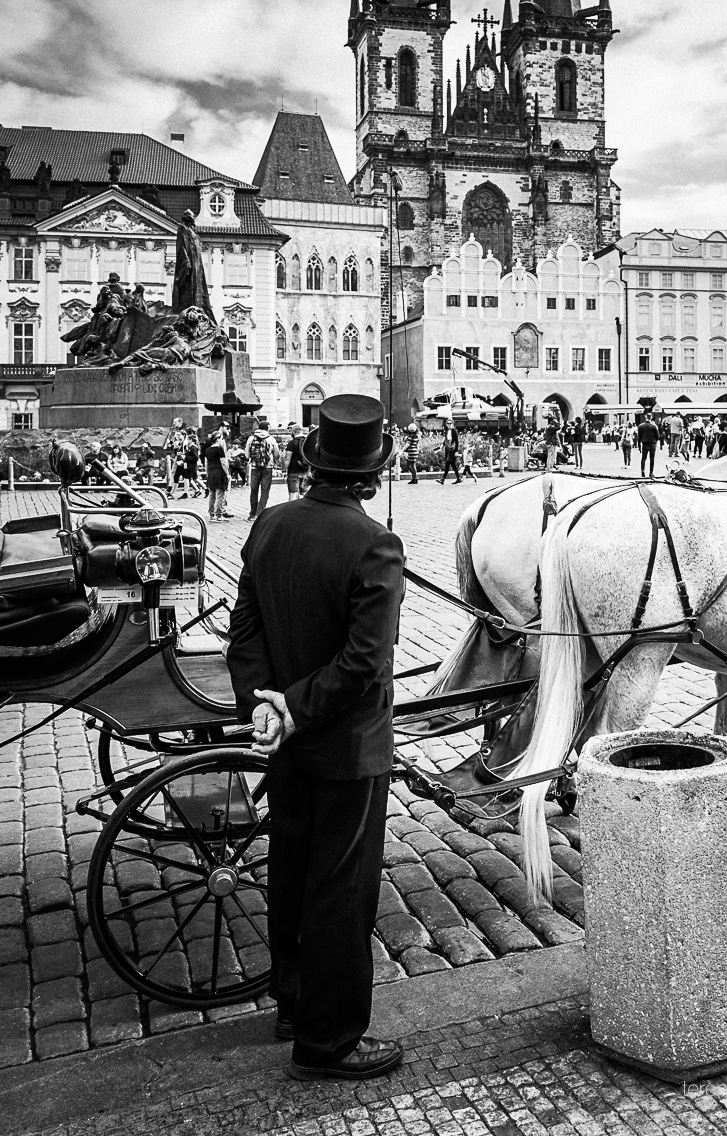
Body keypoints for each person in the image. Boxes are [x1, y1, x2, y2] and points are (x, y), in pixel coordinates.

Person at [226, 394, 404, 1081]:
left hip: (286, 739)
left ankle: (294, 1001)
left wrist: (263, 706)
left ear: (315, 463)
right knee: (340, 888)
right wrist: (296, 708)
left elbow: (245, 631)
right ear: (373, 473)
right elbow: (365, 664)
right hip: (347, 745)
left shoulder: (270, 524)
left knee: (292, 869)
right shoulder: (374, 543)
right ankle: (328, 1039)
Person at [246, 419, 281, 519]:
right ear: (267, 428)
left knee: (254, 491)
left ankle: (252, 513)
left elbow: (247, 454)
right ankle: (260, 513)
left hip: (254, 467)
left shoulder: (251, 438)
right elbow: (277, 454)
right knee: (265, 491)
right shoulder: (271, 439)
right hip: (267, 467)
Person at [203, 423, 233, 521]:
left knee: (212, 494)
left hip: (211, 473)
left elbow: (206, 463)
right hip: (219, 472)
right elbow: (223, 463)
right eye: (220, 438)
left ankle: (211, 514)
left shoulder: (207, 450)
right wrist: (227, 474)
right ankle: (218, 514)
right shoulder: (219, 449)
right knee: (220, 494)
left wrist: (207, 473)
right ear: (217, 439)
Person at [284, 427, 309, 499]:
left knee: (293, 494)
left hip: (293, 471)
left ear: (294, 432)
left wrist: (283, 470)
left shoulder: (292, 443)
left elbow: (287, 458)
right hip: (306, 470)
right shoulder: (308, 442)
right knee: (304, 493)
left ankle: (292, 510)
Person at [439, 420, 461, 485]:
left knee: (448, 464)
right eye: (448, 423)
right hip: (447, 450)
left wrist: (456, 451)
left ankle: (443, 479)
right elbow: (445, 441)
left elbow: (457, 442)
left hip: (452, 450)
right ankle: (458, 478)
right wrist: (441, 446)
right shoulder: (446, 431)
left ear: (452, 424)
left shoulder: (454, 432)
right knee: (453, 465)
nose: (449, 425)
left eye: (450, 423)